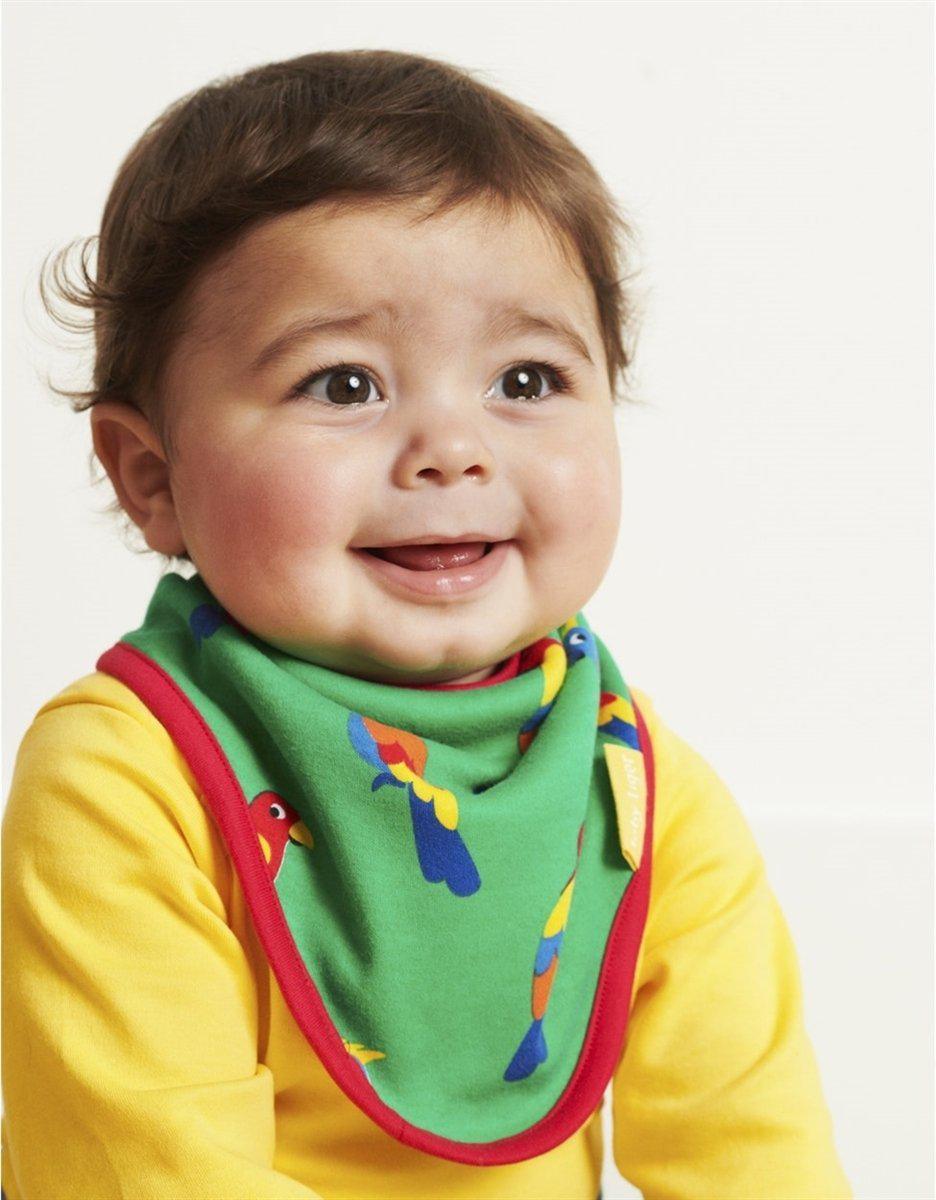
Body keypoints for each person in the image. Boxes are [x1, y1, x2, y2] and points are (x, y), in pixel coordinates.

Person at [1, 49, 852, 1200]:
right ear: (152, 477)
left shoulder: (633, 786)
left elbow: (755, 1154)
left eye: (528, 380)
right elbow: (150, 1175)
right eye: (344, 384)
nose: (454, 449)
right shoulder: (127, 780)